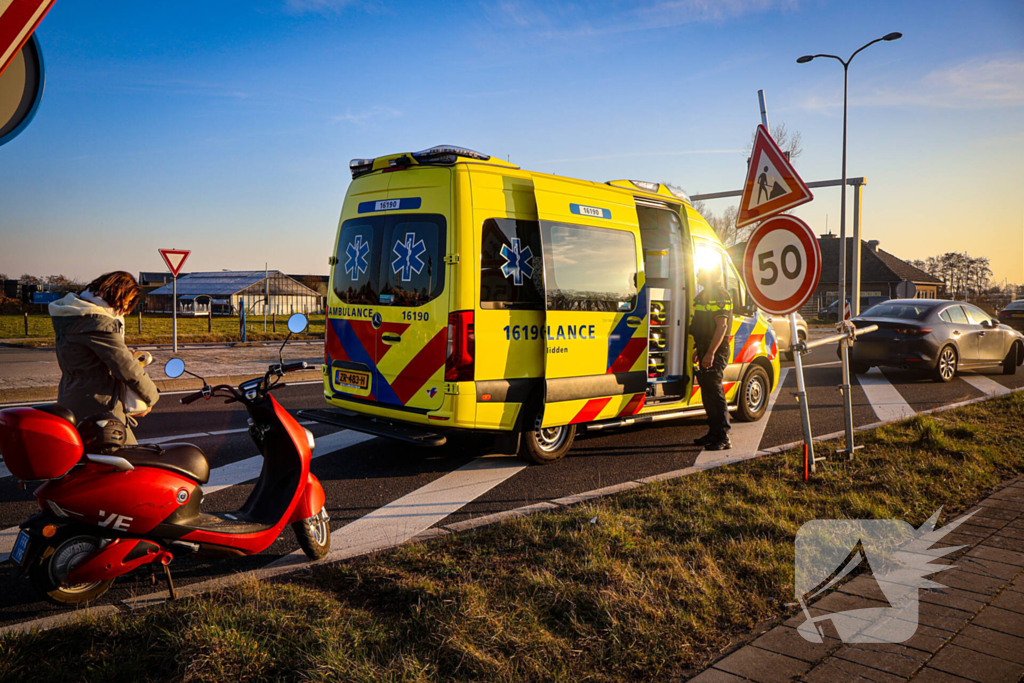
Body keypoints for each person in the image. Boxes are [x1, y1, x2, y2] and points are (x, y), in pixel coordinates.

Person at [49, 271, 159, 444]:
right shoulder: (98, 323)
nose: (126, 309)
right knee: (127, 459)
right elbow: (126, 368)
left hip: (70, 397)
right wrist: (152, 397)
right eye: (128, 302)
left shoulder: (73, 316)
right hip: (99, 405)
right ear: (119, 295)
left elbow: (88, 358)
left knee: (83, 460)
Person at [691, 263, 733, 450]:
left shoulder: (719, 295)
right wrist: (698, 349)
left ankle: (723, 436)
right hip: (705, 348)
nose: (698, 274)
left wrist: (710, 353)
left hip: (715, 350)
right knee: (707, 393)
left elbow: (721, 327)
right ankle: (714, 432)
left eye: (701, 272)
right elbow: (703, 324)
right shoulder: (706, 294)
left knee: (715, 393)